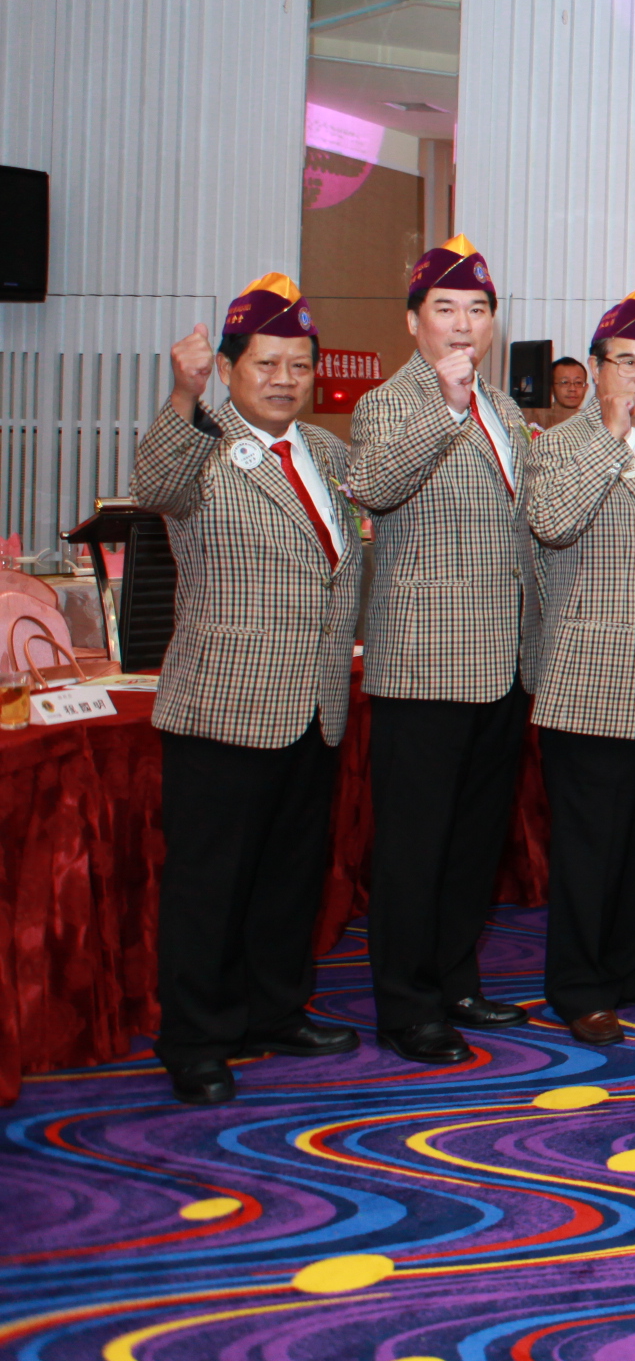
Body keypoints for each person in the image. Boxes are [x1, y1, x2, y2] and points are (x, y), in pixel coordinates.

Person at [137, 278, 363, 1106]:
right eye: (266, 363)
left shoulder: (328, 454)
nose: (284, 379)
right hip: (223, 705)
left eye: (299, 365)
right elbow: (155, 485)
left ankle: (275, 1010)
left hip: (313, 704)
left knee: (288, 874)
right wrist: (182, 395)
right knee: (210, 884)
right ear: (229, 369)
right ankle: (196, 1039)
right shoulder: (200, 446)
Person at [343, 236, 539, 1065]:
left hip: (503, 660)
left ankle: (456, 979)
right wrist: (446, 410)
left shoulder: (506, 410)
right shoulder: (389, 405)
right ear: (413, 320)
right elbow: (376, 486)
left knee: (472, 841)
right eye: (446, 309)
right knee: (415, 846)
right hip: (425, 664)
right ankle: (406, 1005)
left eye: (478, 310)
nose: (463, 324)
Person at [524, 289, 635, 1047]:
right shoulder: (558, 446)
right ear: (596, 370)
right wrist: (609, 434)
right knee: (589, 847)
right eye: (627, 362)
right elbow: (553, 523)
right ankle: (579, 985)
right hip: (592, 679)